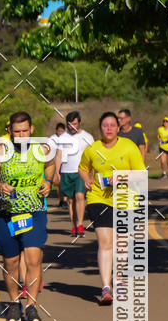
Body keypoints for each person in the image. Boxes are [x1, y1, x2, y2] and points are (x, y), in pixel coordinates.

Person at [0, 111, 54, 321]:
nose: (21, 135)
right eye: (17, 132)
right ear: (10, 132)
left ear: (31, 130)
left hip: (34, 212)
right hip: (7, 214)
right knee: (10, 262)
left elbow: (50, 164)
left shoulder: (41, 149)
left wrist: (48, 181)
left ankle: (31, 306)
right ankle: (14, 302)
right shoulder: (1, 150)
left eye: (25, 131)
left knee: (34, 258)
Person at [78, 112, 146, 305]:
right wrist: (86, 179)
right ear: (101, 128)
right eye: (105, 125)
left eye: (112, 125)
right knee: (106, 242)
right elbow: (82, 167)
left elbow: (141, 175)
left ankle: (119, 279)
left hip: (126, 199)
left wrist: (121, 179)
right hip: (99, 198)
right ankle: (106, 287)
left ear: (118, 128)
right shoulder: (93, 148)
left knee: (122, 244)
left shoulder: (129, 147)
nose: (108, 128)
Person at [55, 111, 94, 236]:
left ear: (79, 123)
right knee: (70, 201)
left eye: (75, 124)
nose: (72, 127)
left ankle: (80, 224)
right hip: (66, 172)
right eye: (70, 125)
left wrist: (91, 173)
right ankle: (73, 225)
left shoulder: (87, 137)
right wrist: (57, 172)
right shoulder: (63, 137)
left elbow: (93, 155)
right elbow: (58, 156)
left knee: (80, 196)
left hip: (81, 172)